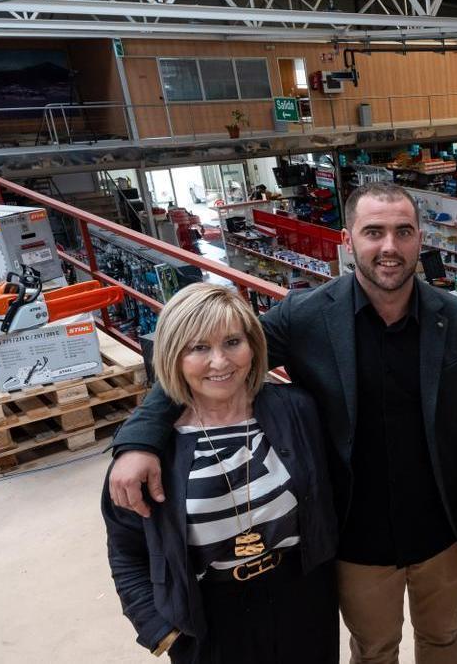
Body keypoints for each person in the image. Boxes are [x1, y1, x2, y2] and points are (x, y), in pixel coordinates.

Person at [106, 181, 457, 664]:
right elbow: (220, 357)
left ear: (420, 239)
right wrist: (140, 439)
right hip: (356, 537)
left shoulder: (455, 319)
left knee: (442, 639)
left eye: (403, 232)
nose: (389, 247)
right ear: (348, 241)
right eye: (373, 232)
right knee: (375, 649)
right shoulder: (306, 316)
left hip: (443, 531)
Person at [102, 283, 339, 662]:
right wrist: (160, 630)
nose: (220, 362)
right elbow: (127, 550)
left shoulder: (296, 410)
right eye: (198, 348)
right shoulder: (152, 451)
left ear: (253, 346)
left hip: (303, 600)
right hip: (210, 618)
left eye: (232, 342)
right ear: (173, 356)